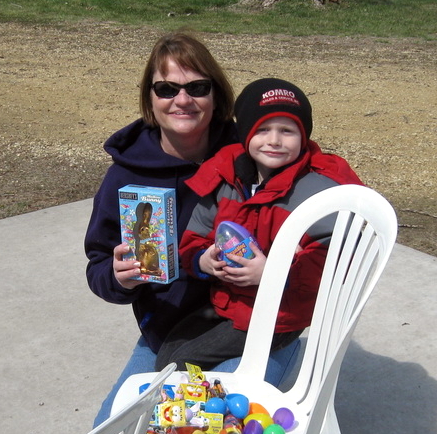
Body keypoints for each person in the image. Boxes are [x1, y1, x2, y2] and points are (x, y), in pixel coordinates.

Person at [153, 78, 365, 371]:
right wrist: (203, 261)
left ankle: (218, 404)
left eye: (287, 131)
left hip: (280, 315)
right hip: (227, 303)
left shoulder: (318, 189)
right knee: (167, 355)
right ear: (246, 133)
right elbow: (195, 235)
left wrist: (275, 273)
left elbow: (338, 260)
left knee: (177, 365)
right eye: (263, 129)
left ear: (304, 136)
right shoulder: (227, 175)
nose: (274, 141)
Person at [85, 30, 237, 427]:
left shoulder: (247, 155)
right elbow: (98, 263)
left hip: (246, 320)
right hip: (169, 331)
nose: (182, 100)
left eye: (197, 87)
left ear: (216, 95)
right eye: (167, 88)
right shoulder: (126, 175)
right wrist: (119, 278)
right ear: (150, 99)